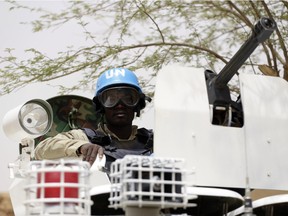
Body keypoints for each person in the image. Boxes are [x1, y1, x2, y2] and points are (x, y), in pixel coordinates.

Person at [34, 68, 153, 172]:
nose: (120, 105)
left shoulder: (153, 141)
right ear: (100, 106)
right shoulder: (86, 137)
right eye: (111, 99)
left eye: (128, 98)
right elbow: (41, 149)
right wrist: (81, 147)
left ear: (138, 104)